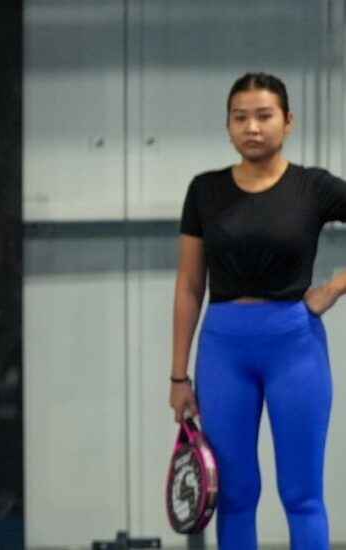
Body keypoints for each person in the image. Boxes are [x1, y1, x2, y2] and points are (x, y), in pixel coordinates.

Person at [170, 72, 345, 548]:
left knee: (302, 493)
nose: (252, 127)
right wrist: (178, 377)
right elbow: (189, 286)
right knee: (235, 494)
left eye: (264, 116)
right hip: (224, 352)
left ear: (287, 122)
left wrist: (335, 287)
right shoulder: (204, 191)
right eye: (240, 117)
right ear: (228, 126)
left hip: (296, 349)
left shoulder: (314, 187)